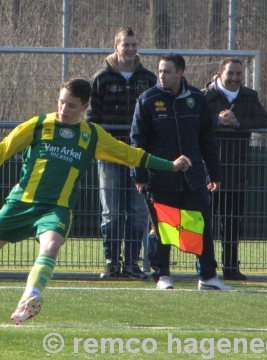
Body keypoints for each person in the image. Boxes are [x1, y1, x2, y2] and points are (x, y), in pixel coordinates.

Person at [0, 78, 191, 324]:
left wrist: (169, 165)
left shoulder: (92, 135)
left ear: (85, 106)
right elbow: (5, 147)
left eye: (71, 105)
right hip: (21, 203)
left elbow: (129, 154)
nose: (64, 109)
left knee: (51, 245)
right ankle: (28, 241)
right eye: (61, 102)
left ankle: (30, 299)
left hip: (56, 208)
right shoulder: (39, 125)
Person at [131, 53, 232, 291]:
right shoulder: (147, 99)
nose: (162, 76)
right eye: (160, 71)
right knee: (161, 228)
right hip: (160, 178)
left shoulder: (196, 99)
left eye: (167, 71)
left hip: (193, 178)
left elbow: (207, 140)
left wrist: (214, 174)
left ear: (180, 73)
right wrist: (141, 176)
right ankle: (162, 275)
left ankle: (207, 276)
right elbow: (137, 142)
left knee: (201, 226)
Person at [85, 26, 157, 279]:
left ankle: (132, 264)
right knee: (112, 210)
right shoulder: (101, 78)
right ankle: (111, 262)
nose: (130, 49)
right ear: (115, 46)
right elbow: (92, 118)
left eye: (134, 45)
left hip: (139, 154)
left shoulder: (148, 79)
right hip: (109, 154)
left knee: (138, 211)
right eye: (125, 44)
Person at [203, 58, 267, 281]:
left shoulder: (249, 96)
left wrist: (237, 122)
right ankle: (206, 266)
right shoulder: (205, 96)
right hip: (208, 170)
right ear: (219, 73)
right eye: (230, 73)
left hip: (237, 171)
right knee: (206, 222)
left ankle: (231, 267)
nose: (234, 78)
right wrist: (217, 120)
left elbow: (264, 120)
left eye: (238, 74)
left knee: (232, 222)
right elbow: (194, 120)